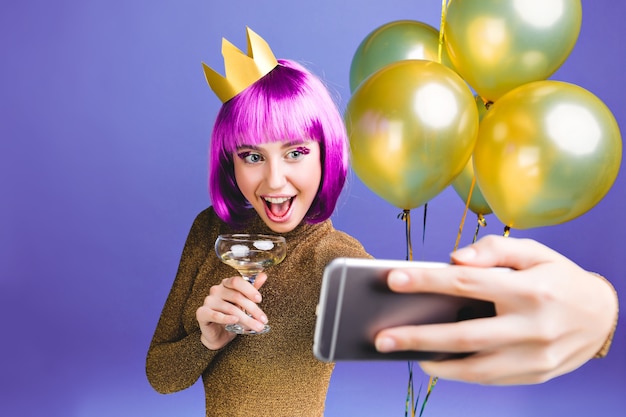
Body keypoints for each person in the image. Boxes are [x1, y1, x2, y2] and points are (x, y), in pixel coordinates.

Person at [146, 27, 618, 416]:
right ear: (230, 161)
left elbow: (464, 321)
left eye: (296, 152)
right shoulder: (211, 230)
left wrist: (598, 310)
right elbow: (162, 377)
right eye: (252, 155)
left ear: (325, 156)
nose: (274, 179)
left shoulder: (334, 258)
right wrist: (207, 340)